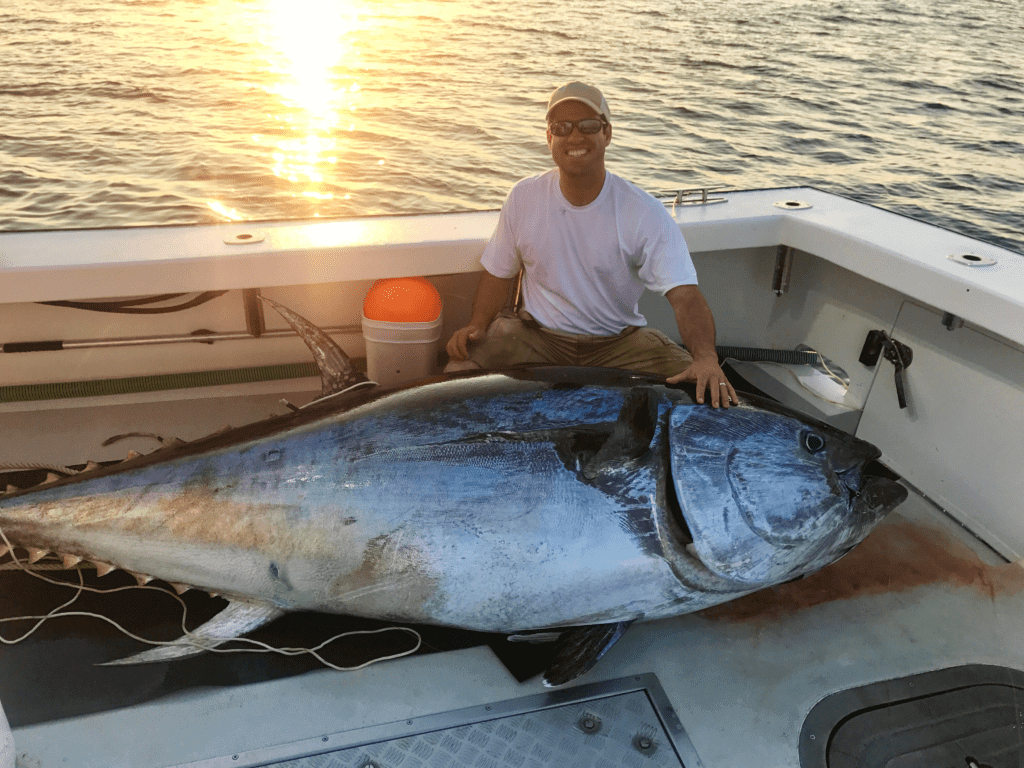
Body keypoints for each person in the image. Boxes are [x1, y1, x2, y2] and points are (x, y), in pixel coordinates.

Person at [445, 81, 738, 408]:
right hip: (536, 336)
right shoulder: (524, 197)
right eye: (561, 127)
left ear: (607, 134)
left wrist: (706, 358)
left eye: (588, 126)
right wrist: (477, 325)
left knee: (704, 391)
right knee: (458, 370)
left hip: (619, 344)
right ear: (549, 138)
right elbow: (498, 273)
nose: (574, 136)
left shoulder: (642, 211)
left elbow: (685, 296)